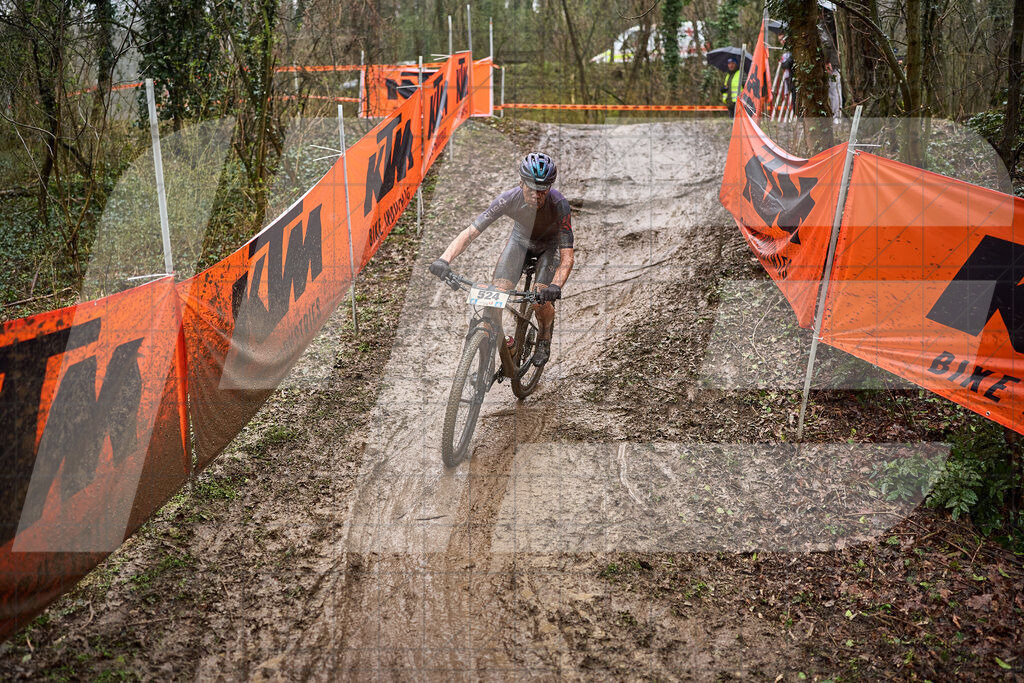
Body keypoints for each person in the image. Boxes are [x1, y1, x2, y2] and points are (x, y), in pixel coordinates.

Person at [429, 152, 574, 367]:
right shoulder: (508, 199)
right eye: (531, 188)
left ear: (550, 188)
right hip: (520, 242)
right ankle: (486, 362)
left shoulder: (559, 204)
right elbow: (471, 232)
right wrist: (444, 259)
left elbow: (567, 256)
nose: (536, 195)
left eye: (542, 190)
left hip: (549, 248)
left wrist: (555, 286)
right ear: (521, 183)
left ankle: (544, 337)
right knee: (494, 296)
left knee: (539, 299)